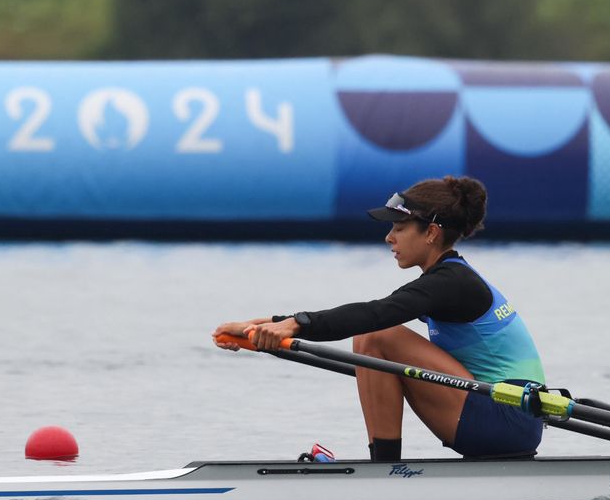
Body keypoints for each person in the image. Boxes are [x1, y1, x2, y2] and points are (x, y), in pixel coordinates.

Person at [212, 176, 546, 461]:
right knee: (374, 340)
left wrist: (295, 324)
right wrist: (259, 329)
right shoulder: (448, 280)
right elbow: (368, 314)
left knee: (377, 336)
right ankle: (385, 469)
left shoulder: (453, 283)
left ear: (430, 233)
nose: (389, 237)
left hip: (508, 418)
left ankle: (385, 471)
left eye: (399, 227)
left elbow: (375, 314)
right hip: (505, 416)